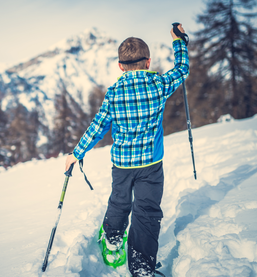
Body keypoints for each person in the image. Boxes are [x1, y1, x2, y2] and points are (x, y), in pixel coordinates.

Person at [65, 24, 189, 276]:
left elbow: (97, 127)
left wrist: (75, 154)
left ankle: (112, 238)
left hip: (122, 165)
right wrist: (179, 41)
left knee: (120, 202)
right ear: (148, 62)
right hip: (151, 165)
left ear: (120, 66)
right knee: (147, 212)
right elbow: (182, 70)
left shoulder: (114, 93)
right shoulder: (159, 84)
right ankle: (142, 266)